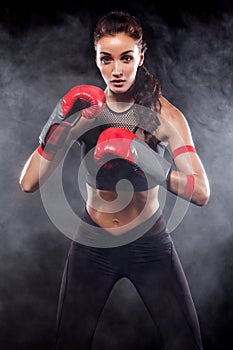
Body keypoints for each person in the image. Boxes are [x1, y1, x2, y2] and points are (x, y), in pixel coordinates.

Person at [19, 11, 210, 350]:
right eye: (106, 59)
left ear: (141, 55)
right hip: (93, 246)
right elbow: (29, 183)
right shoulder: (85, 112)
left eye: (126, 58)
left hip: (150, 246)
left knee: (186, 343)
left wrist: (152, 165)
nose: (116, 70)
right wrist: (55, 123)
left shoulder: (165, 116)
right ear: (96, 59)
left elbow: (202, 193)